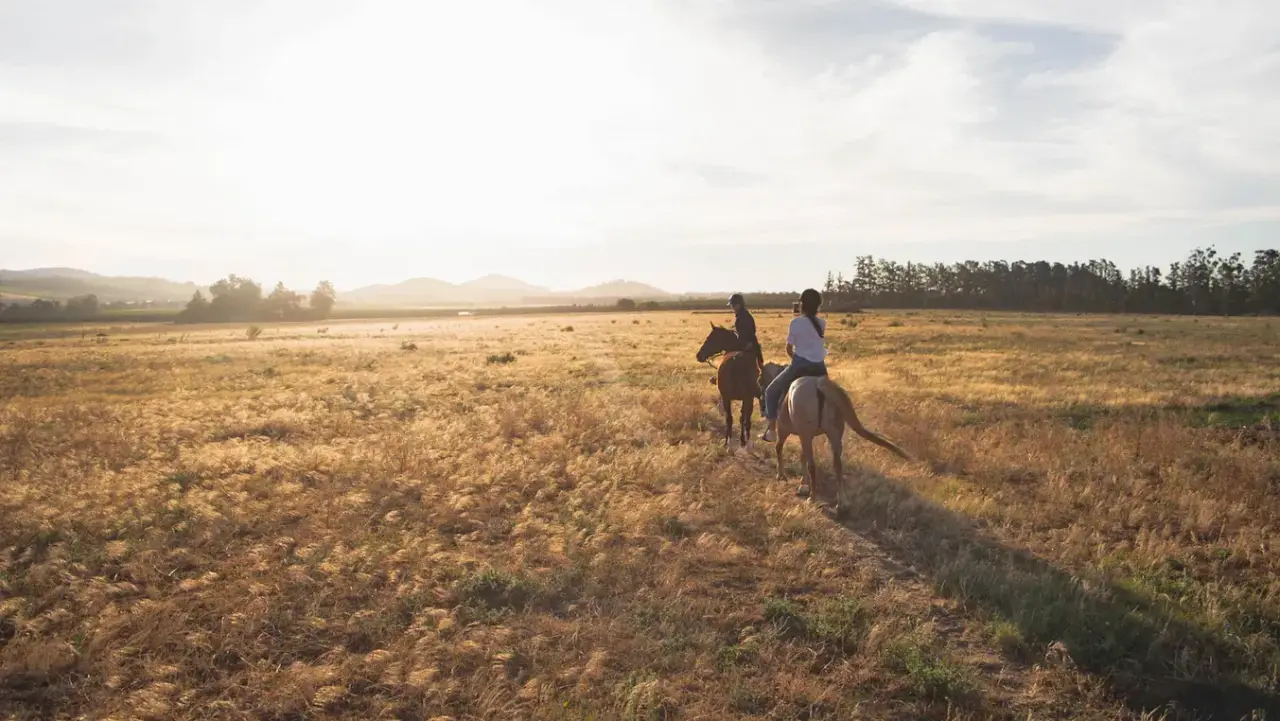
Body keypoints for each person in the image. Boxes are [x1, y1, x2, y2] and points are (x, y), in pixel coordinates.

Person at [761, 288, 827, 442]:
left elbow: (789, 349)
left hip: (800, 365)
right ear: (818, 305)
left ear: (801, 304)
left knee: (771, 392)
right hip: (820, 367)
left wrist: (796, 359)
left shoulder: (795, 322)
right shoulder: (822, 323)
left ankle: (771, 430)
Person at [728, 293, 764, 368]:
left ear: (738, 305)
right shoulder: (744, 314)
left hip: (748, 346)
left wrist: (741, 346)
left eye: (733, 305)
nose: (732, 307)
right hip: (751, 344)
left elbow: (744, 335)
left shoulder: (742, 317)